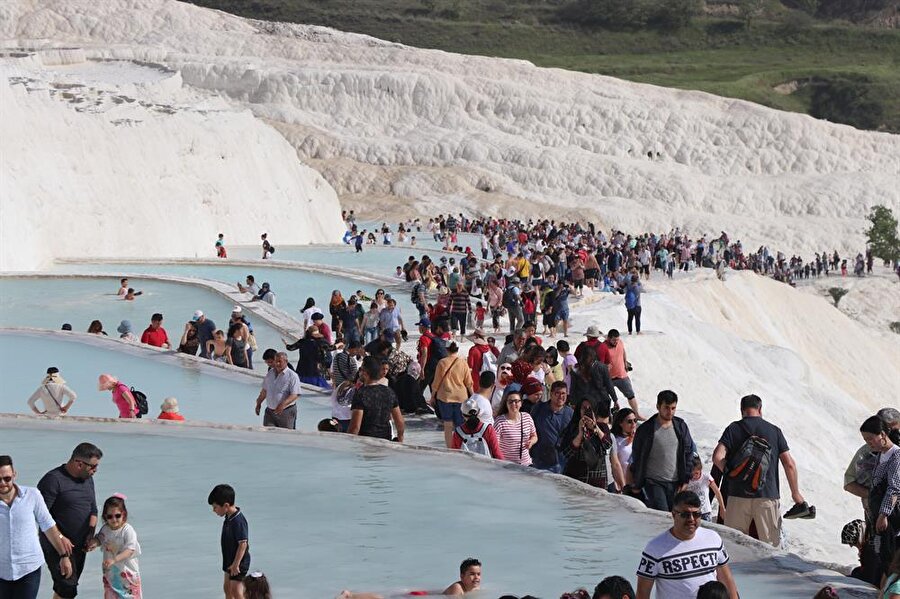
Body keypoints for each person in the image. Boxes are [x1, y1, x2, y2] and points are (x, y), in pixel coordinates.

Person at [712, 394, 811, 548]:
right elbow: (789, 464)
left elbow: (717, 457)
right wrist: (796, 494)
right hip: (767, 496)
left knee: (733, 546)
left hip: (737, 496)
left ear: (742, 410)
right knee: (771, 547)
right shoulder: (774, 431)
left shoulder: (733, 428)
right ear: (760, 409)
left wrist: (731, 473)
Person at [636, 491, 738, 599]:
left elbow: (726, 579)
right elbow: (643, 592)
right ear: (674, 514)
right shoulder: (655, 548)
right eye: (685, 514)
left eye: (696, 514)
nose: (691, 519)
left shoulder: (713, 539)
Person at [0, 455, 75, 599]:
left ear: (14, 474)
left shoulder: (32, 495)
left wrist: (64, 556)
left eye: (7, 478)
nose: (3, 483)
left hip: (28, 569)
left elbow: (48, 526)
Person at [38, 443, 103, 599]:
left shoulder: (87, 478)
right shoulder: (53, 480)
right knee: (68, 587)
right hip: (56, 544)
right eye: (93, 466)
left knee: (65, 590)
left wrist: (90, 533)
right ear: (79, 463)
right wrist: (60, 538)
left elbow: (93, 509)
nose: (95, 470)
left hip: (80, 545)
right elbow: (40, 516)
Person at [630, 390, 695, 512]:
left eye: (673, 408)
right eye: (666, 407)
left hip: (675, 482)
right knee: (662, 514)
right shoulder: (646, 429)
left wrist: (686, 479)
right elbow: (637, 455)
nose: (670, 412)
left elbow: (688, 453)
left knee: (673, 515)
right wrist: (637, 482)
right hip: (653, 481)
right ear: (658, 407)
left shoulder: (681, 426)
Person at [859, 414, 900, 578]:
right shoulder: (881, 455)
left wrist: (884, 514)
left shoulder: (896, 456)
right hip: (878, 516)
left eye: (870, 438)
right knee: (881, 554)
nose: (868, 442)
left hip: (891, 517)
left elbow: (894, 487)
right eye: (865, 439)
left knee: (890, 555)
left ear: (883, 435)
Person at [845, 408, 900, 516]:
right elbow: (849, 483)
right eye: (890, 430)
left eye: (897, 430)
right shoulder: (865, 453)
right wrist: (874, 495)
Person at [561, 397, 624, 490]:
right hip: (576, 480)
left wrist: (596, 428)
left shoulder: (603, 427)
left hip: (597, 481)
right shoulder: (572, 428)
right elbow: (567, 453)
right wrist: (580, 433)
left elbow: (608, 445)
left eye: (590, 408)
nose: (587, 411)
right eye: (584, 408)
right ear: (579, 410)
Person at [86, 494, 142, 598]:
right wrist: (93, 543)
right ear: (105, 517)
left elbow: (129, 550)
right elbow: (99, 539)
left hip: (128, 575)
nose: (114, 519)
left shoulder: (127, 530)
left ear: (123, 514)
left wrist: (114, 560)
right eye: (110, 516)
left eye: (117, 515)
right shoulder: (105, 529)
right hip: (111, 575)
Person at [348, 355, 405, 442]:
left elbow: (355, 427)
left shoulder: (361, 394)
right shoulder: (389, 392)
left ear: (365, 373)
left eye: (361, 369)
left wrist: (347, 443)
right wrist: (400, 438)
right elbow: (399, 421)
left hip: (366, 441)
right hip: (386, 439)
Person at [208, 484, 250, 599]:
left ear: (226, 505)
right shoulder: (228, 517)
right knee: (227, 588)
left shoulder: (238, 521)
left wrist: (236, 564)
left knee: (236, 591)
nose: (214, 510)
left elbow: (243, 544)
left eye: (215, 507)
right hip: (229, 560)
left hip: (238, 563)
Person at [431, 342, 474, 448]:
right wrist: (473, 396)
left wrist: (433, 396)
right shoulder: (463, 362)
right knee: (461, 425)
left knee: (448, 424)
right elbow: (469, 382)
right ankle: (462, 446)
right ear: (457, 349)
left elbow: (436, 382)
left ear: (446, 349)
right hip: (461, 397)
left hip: (445, 397)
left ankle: (450, 449)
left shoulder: (442, 362)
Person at [598, 330, 645, 420]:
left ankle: (637, 414)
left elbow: (623, 352)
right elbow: (600, 363)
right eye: (614, 340)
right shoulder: (603, 347)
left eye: (617, 340)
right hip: (608, 378)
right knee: (605, 399)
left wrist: (625, 363)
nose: (616, 342)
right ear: (608, 339)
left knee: (631, 395)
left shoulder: (620, 342)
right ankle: (607, 417)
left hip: (621, 375)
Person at [530, 381, 574, 473]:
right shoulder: (539, 409)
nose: (560, 396)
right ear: (551, 394)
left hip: (561, 463)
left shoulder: (570, 413)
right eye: (557, 393)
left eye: (563, 393)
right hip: (539, 461)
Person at [255, 352, 301, 429]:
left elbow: (295, 394)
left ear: (286, 361)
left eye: (280, 361)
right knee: (268, 434)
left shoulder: (292, 376)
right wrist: (259, 402)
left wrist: (282, 404)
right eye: (276, 361)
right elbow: (265, 390)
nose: (277, 364)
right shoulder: (270, 373)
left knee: (286, 435)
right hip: (270, 412)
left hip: (286, 412)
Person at [494, 386, 537, 467]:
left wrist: (531, 442)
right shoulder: (500, 422)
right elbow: (495, 446)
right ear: (506, 404)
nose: (514, 404)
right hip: (507, 466)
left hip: (526, 464)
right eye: (510, 402)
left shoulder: (527, 417)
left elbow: (534, 436)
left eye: (516, 401)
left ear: (521, 403)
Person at [331, 340, 363, 431]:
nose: (357, 352)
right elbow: (354, 375)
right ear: (353, 349)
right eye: (357, 350)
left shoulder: (337, 356)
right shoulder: (350, 359)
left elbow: (333, 371)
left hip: (339, 387)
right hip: (348, 387)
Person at [840, 519, 881, 586]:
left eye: (853, 542)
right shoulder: (869, 543)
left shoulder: (871, 548)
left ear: (858, 536)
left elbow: (870, 576)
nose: (851, 546)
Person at [686, 455, 726, 522]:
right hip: (692, 512)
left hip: (705, 512)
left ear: (700, 470)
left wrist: (722, 507)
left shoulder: (706, 477)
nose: (694, 476)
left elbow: (717, 492)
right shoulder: (688, 480)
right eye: (692, 473)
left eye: (696, 473)